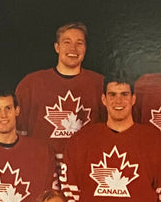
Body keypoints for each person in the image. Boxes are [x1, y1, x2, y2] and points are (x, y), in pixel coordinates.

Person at [15, 22, 105, 161]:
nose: (73, 48)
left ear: (86, 48)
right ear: (57, 47)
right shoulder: (31, 84)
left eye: (79, 43)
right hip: (42, 165)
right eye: (67, 42)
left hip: (85, 165)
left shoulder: (100, 84)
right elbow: (17, 134)